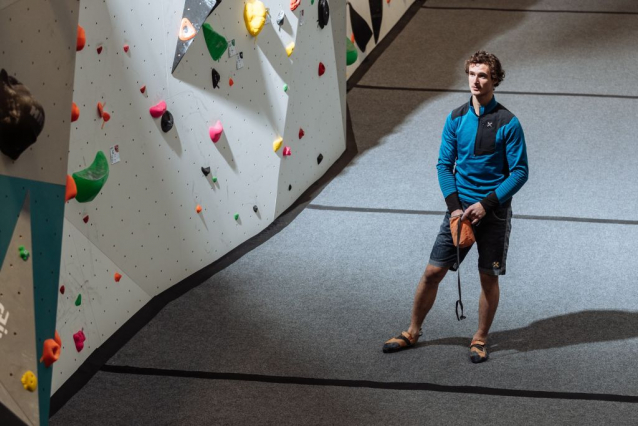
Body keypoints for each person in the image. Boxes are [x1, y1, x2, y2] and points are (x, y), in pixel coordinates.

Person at [382, 50, 529, 363]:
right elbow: (443, 165)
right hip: (460, 212)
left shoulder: (508, 123)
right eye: (472, 74)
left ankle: (479, 338)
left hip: (494, 212)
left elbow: (519, 172)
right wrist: (454, 208)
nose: (476, 81)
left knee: (488, 278)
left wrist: (486, 204)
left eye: (483, 75)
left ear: (495, 80)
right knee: (432, 272)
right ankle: (412, 331)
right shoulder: (455, 118)